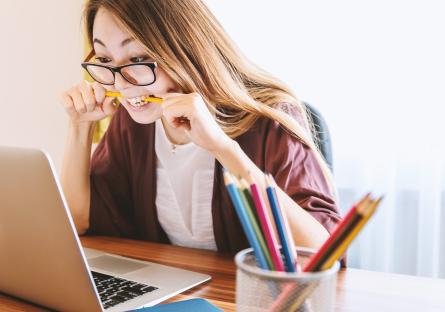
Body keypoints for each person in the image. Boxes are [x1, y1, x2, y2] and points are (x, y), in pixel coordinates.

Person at [60, 0, 341, 254]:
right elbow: (78, 221)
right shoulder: (134, 123)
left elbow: (321, 253)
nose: (121, 84)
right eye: (105, 60)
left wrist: (223, 148)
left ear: (185, 49)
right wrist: (80, 127)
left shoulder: (271, 118)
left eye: (137, 59)